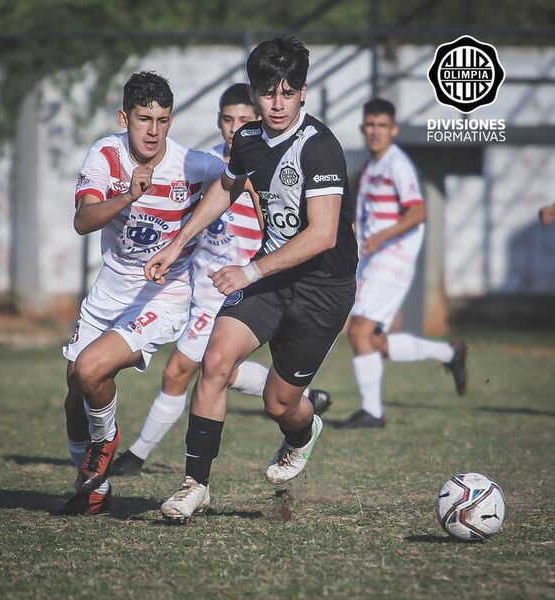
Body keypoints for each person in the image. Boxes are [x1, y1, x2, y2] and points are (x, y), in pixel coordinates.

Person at [144, 37, 358, 520]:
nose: (277, 103)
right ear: (255, 94)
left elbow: (324, 234)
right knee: (215, 360)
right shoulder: (248, 140)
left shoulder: (321, 148)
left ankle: (304, 432)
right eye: (268, 92)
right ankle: (195, 484)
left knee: (280, 404)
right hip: (270, 277)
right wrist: (177, 243)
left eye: (288, 92)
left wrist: (248, 269)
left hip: (323, 288)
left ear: (304, 92)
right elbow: (226, 186)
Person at [111, 83, 331, 477]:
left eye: (244, 120)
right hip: (199, 285)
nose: (234, 128)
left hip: (238, 286)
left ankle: (139, 456)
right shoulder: (211, 166)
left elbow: (279, 233)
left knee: (181, 370)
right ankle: (302, 399)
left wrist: (256, 271)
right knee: (219, 370)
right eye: (227, 120)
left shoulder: (267, 169)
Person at [54, 71, 225, 515]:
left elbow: (237, 181)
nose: (153, 131)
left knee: (92, 369)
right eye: (143, 119)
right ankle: (92, 489)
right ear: (123, 117)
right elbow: (83, 220)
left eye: (163, 120)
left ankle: (107, 440)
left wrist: (261, 236)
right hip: (108, 292)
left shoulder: (192, 165)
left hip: (162, 297)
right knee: (76, 392)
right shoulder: (106, 156)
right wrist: (127, 197)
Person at [336, 97, 467, 429]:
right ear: (362, 128)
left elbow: (418, 211)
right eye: (370, 125)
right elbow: (366, 217)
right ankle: (450, 354)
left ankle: (373, 412)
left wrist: (382, 237)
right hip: (371, 260)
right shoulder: (370, 167)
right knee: (373, 341)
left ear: (393, 130)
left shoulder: (398, 164)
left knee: (360, 330)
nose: (375, 132)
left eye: (382, 126)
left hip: (391, 259)